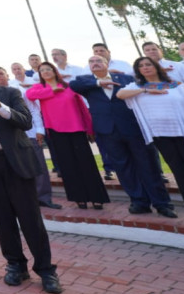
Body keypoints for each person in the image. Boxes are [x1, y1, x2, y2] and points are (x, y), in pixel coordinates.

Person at [0, 60, 61, 294]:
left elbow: (25, 121)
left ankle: (46, 269)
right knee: (2, 218)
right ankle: (16, 264)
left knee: (30, 219)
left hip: (16, 162)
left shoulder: (9, 92)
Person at [70, 56, 175, 217]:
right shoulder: (84, 81)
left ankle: (162, 203)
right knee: (123, 167)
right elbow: (73, 86)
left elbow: (148, 86)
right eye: (91, 61)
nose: (95, 63)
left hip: (133, 128)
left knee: (148, 165)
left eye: (99, 60)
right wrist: (99, 83)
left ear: (107, 64)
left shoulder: (125, 78)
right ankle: (139, 202)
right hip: (107, 131)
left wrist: (170, 83)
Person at [118, 56, 184, 224]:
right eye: (141, 66)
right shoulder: (137, 87)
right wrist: (145, 90)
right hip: (162, 137)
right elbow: (120, 94)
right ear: (138, 71)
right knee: (181, 174)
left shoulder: (177, 85)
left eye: (149, 64)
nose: (145, 67)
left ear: (156, 67)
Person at [26, 63, 109, 209]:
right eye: (42, 70)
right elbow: (30, 96)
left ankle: (97, 197)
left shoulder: (70, 86)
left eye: (48, 69)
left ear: (54, 71)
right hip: (56, 131)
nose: (45, 72)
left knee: (87, 164)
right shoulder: (39, 88)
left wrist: (89, 129)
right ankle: (79, 198)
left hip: (77, 129)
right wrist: (52, 90)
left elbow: (82, 108)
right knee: (68, 166)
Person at [0, 67, 59, 209]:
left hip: (30, 133)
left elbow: (34, 110)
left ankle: (44, 197)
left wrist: (39, 130)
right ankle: (28, 199)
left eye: (1, 74)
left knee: (39, 165)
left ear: (7, 75)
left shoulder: (19, 90)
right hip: (9, 138)